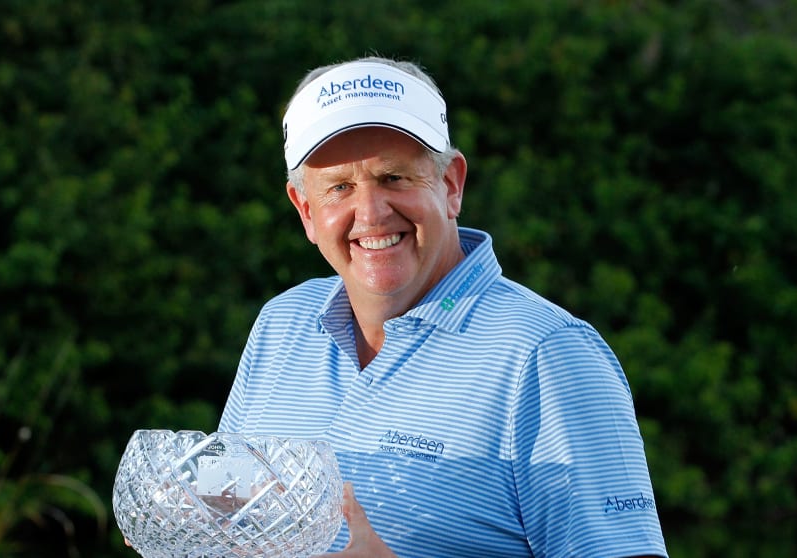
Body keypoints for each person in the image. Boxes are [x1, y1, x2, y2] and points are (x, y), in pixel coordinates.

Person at [217, 56, 668, 558]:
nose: (370, 213)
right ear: (305, 210)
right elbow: (233, 517)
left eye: (393, 178)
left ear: (451, 184)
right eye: (339, 187)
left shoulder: (547, 355)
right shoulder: (282, 325)